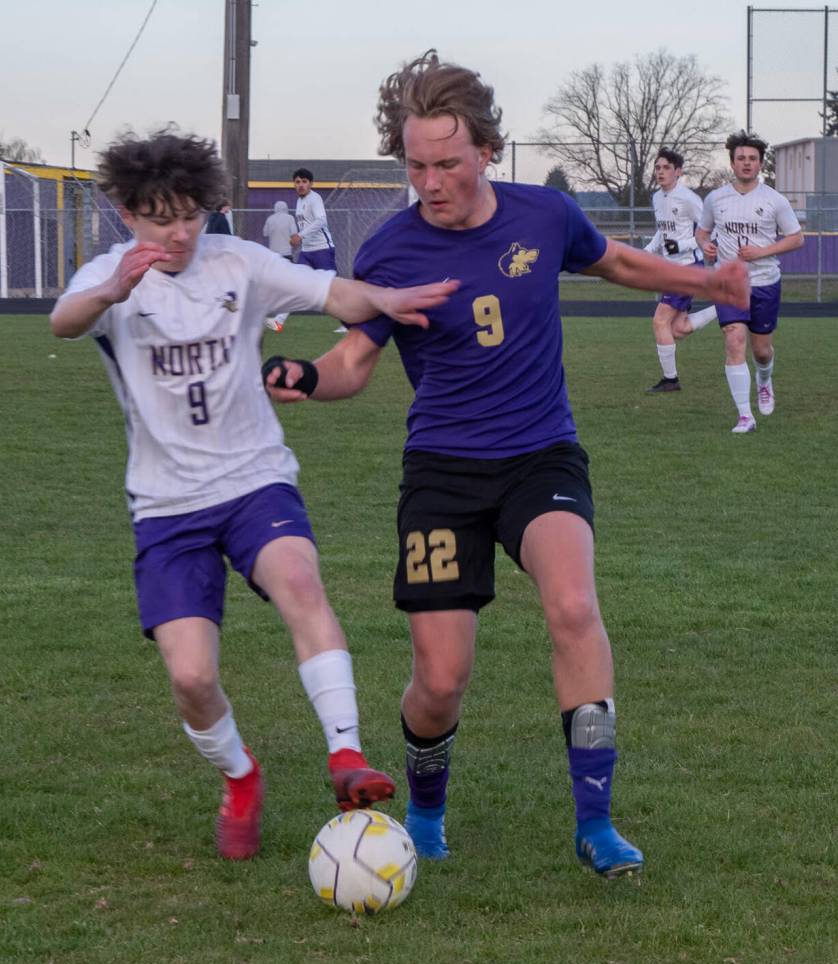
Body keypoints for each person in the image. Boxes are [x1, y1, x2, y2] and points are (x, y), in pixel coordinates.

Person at [263, 52, 749, 878]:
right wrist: (308, 377)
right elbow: (353, 361)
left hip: (540, 455)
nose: (431, 183)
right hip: (442, 475)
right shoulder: (390, 250)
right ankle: (426, 812)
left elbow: (618, 262)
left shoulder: (544, 215)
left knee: (573, 605)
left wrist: (706, 281)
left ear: (486, 151)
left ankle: (595, 822)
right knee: (440, 679)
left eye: (448, 164)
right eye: (416, 166)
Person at [48, 130, 458, 861]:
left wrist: (386, 298)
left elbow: (333, 293)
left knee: (299, 579)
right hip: (166, 505)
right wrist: (111, 292)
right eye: (160, 218)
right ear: (128, 212)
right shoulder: (107, 278)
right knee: (191, 676)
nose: (179, 233)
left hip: (253, 478)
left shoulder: (238, 260)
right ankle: (240, 776)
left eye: (190, 215)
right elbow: (63, 320)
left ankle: (346, 755)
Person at [696, 131, 803, 433]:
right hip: (729, 282)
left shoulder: (774, 200)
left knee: (761, 351)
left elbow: (796, 238)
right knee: (734, 340)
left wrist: (761, 252)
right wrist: (705, 246)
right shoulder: (716, 199)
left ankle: (764, 380)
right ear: (732, 163)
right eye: (741, 158)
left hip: (765, 282)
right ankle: (745, 416)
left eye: (752, 159)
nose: (746, 163)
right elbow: (702, 232)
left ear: (760, 164)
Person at [643, 148, 718, 394]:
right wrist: (648, 250)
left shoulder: (688, 198)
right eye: (658, 167)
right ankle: (724, 307)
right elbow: (663, 231)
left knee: (659, 321)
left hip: (686, 268)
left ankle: (670, 380)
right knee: (678, 328)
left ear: (678, 171)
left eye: (666, 167)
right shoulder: (657, 198)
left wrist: (682, 245)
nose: (661, 172)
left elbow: (710, 231)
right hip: (671, 269)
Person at [263, 199, 299, 333]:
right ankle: (279, 318)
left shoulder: (270, 219)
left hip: (273, 257)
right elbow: (294, 235)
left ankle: (266, 312)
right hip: (286, 255)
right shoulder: (290, 218)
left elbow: (265, 233)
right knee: (289, 287)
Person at [291, 167, 336, 271]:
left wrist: (300, 235)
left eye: (304, 181)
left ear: (311, 184)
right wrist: (297, 238)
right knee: (300, 278)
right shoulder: (299, 201)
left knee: (329, 280)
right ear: (294, 184)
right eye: (297, 182)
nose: (301, 185)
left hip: (321, 249)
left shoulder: (315, 198)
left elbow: (321, 220)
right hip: (306, 250)